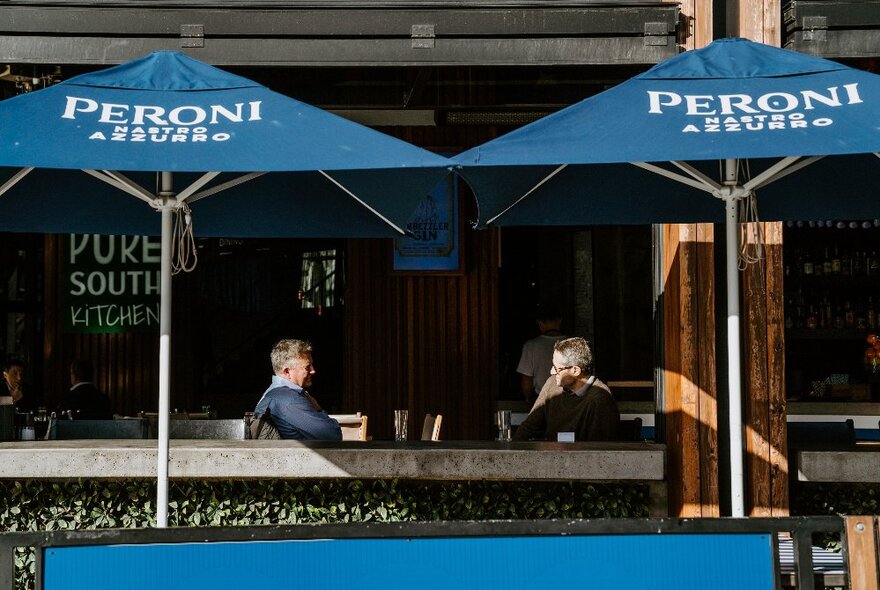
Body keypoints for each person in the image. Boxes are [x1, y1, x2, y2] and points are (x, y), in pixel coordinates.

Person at [513, 337, 619, 442]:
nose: (552, 372)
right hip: (550, 456)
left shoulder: (600, 400)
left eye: (557, 368)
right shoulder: (552, 384)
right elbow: (529, 427)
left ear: (575, 370)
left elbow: (600, 451)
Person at [253, 339, 341, 440]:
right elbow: (332, 435)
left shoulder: (274, 393)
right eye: (307, 367)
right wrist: (318, 408)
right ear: (287, 372)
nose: (313, 371)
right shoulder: (288, 399)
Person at [516, 302, 566, 405]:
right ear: (560, 320)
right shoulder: (574, 344)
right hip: (569, 401)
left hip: (542, 401)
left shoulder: (531, 346)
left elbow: (526, 382)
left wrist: (528, 399)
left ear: (540, 323)